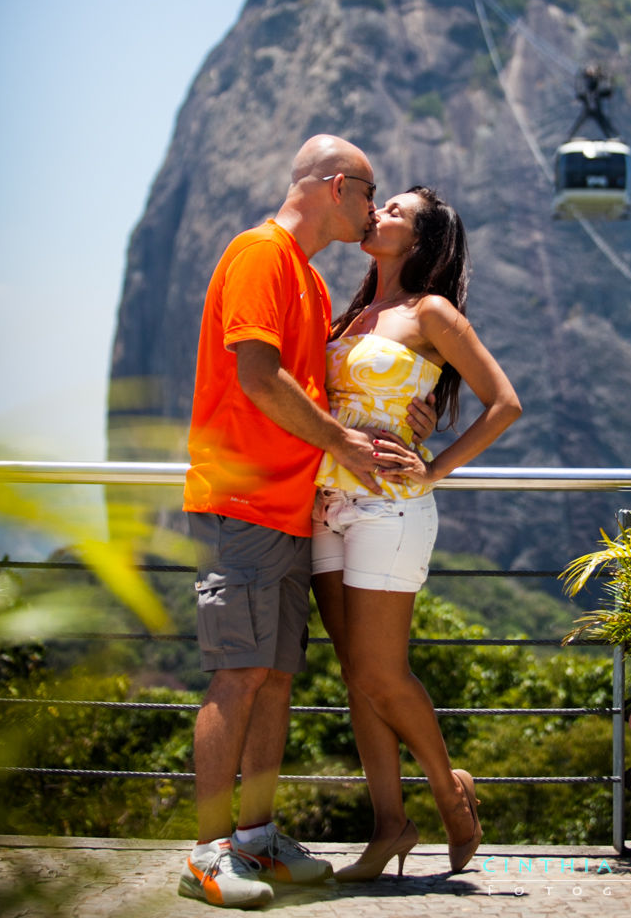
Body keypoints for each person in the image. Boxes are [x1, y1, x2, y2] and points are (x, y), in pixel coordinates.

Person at [179, 136, 435, 909]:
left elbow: (332, 388)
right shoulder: (259, 255)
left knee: (277, 678)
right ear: (336, 186)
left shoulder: (316, 288)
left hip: (296, 508)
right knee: (239, 672)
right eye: (369, 192)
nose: (372, 207)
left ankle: (255, 843)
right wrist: (341, 443)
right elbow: (259, 376)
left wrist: (412, 412)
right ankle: (206, 853)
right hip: (243, 500)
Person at [311, 186, 522, 881]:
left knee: (381, 670)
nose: (380, 214)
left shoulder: (430, 312)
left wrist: (432, 470)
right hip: (327, 503)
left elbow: (504, 403)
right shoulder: (351, 314)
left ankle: (449, 796)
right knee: (357, 678)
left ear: (422, 240)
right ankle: (390, 826)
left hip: (391, 509)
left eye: (398, 211)